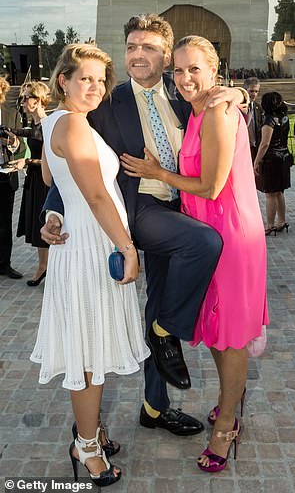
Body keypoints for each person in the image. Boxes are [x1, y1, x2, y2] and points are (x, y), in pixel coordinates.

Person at [41, 14, 249, 437]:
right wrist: (53, 211)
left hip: (179, 211)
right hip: (137, 215)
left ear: (166, 56)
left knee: (159, 309)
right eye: (132, 46)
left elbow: (221, 104)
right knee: (202, 248)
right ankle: (166, 332)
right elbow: (77, 165)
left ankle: (155, 405)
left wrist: (238, 92)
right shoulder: (105, 103)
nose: (138, 54)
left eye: (149, 48)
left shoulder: (183, 96)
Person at [120, 35, 268, 473]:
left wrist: (156, 172)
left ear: (215, 69)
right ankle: (227, 402)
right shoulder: (197, 106)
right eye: (179, 70)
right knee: (219, 328)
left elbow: (211, 186)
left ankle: (225, 424)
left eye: (195, 69)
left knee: (233, 334)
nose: (185, 79)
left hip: (230, 232)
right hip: (204, 230)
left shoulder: (220, 110)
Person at [30, 44, 150, 486]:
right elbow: (97, 195)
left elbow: (51, 179)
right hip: (90, 250)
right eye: (86, 78)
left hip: (81, 242)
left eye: (101, 79)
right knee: (87, 353)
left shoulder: (58, 122)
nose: (96, 87)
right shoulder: (74, 125)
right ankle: (86, 446)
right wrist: (129, 248)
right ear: (63, 80)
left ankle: (90, 429)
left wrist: (55, 215)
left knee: (90, 347)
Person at [16, 81, 50, 286]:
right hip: (34, 179)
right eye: (21, 97)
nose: (22, 101)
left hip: (46, 181)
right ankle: (42, 266)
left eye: (26, 97)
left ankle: (49, 268)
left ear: (38, 100)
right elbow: (28, 133)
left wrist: (27, 161)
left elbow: (52, 159)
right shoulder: (36, 125)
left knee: (47, 224)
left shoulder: (49, 123)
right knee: (38, 225)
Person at [254, 92, 291, 235]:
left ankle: (269, 225)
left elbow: (265, 143)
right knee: (279, 191)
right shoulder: (284, 118)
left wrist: (256, 162)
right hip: (284, 156)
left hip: (272, 159)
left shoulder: (269, 120)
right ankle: (281, 221)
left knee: (270, 193)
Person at [0, 76, 23, 279]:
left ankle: (4, 265)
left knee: (5, 223)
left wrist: (12, 142)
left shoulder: (11, 114)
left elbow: (21, 147)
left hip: (5, 175)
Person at [242, 77, 263, 161]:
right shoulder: (237, 107)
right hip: (242, 147)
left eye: (256, 91)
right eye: (251, 91)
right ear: (245, 90)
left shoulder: (259, 107)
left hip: (255, 147)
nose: (254, 94)